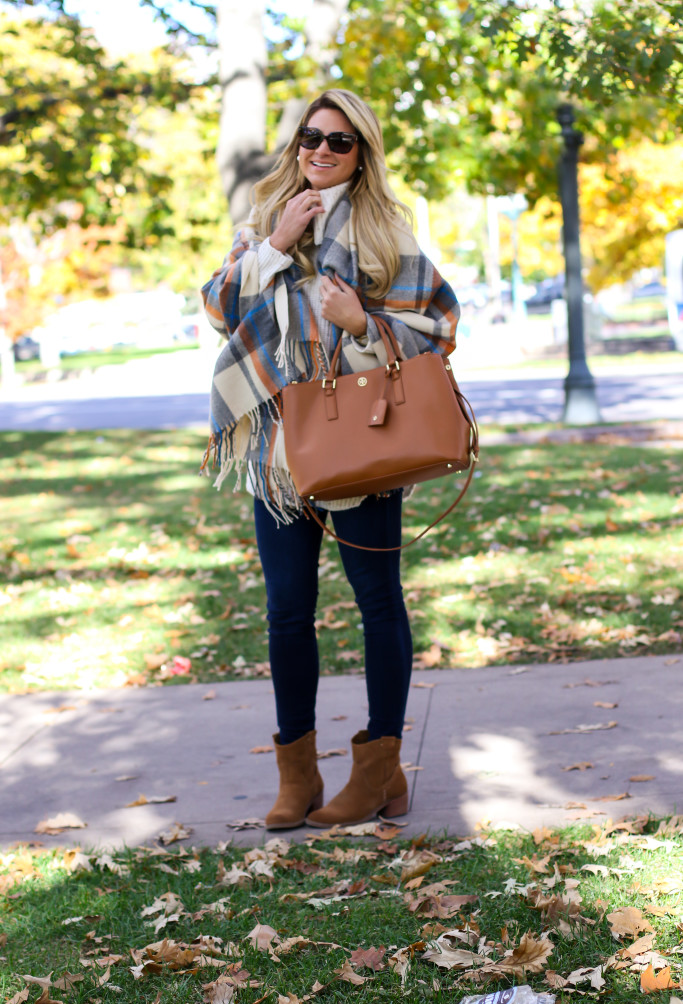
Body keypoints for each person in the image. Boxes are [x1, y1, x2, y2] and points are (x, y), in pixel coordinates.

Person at [201, 88, 459, 830]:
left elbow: (438, 327)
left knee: (377, 603)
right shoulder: (263, 223)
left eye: (339, 141)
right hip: (279, 450)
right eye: (310, 137)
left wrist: (364, 323)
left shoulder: (386, 234)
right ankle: (298, 777)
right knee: (287, 611)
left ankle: (380, 774)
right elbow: (220, 307)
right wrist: (276, 243)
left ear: (362, 152)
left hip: (363, 443)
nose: (320, 150)